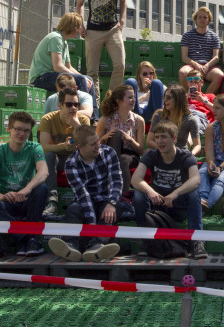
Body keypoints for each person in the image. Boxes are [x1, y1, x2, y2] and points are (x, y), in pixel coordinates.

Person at [131, 120, 207, 258]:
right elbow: (135, 179)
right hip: (158, 204)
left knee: (193, 194)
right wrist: (150, 191)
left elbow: (196, 180)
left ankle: (197, 241)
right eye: (157, 137)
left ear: (174, 138)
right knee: (139, 194)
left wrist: (175, 193)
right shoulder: (151, 155)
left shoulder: (186, 156)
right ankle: (146, 240)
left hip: (178, 205)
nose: (160, 141)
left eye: (164, 137)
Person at [48, 125, 122, 262]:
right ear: (80, 146)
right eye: (93, 144)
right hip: (84, 200)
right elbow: (82, 194)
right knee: (73, 209)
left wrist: (111, 203)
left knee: (109, 213)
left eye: (98, 141)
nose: (98, 145)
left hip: (106, 199)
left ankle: (97, 246)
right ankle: (70, 246)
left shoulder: (109, 153)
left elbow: (116, 181)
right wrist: (91, 225)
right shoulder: (71, 163)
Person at [0, 111, 48, 256]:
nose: (22, 134)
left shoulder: (34, 147)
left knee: (41, 188)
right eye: (18, 129)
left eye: (26, 130)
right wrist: (2, 197)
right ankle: (26, 239)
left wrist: (26, 190)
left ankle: (28, 239)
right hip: (7, 202)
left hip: (27, 200)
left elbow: (43, 172)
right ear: (9, 129)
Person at [29, 12, 97, 119]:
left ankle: (94, 118)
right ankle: (86, 118)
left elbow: (68, 66)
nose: (80, 30)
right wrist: (81, 78)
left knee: (88, 79)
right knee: (80, 79)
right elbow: (58, 66)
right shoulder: (55, 38)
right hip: (41, 78)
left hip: (52, 75)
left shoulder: (63, 42)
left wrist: (84, 77)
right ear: (73, 27)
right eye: (79, 26)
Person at [76, 0, 127, 100]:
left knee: (120, 65)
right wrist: (81, 24)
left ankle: (112, 99)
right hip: (93, 30)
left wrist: (122, 20)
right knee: (92, 70)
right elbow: (80, 4)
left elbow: (123, 2)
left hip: (113, 29)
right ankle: (95, 103)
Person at [38, 87, 91, 217]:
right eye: (69, 104)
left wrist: (77, 126)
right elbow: (44, 147)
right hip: (58, 160)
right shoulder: (48, 119)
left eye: (76, 104)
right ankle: (51, 201)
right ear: (60, 105)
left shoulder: (83, 120)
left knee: (87, 157)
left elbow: (91, 147)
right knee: (48, 156)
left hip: (78, 159)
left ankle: (83, 199)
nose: (73, 108)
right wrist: (63, 146)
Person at [96, 84, 146, 194]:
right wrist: (103, 138)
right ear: (118, 101)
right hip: (110, 154)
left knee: (123, 159)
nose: (134, 100)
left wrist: (130, 140)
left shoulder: (138, 120)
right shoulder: (105, 120)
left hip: (130, 156)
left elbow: (141, 150)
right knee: (116, 134)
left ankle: (123, 195)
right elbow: (95, 146)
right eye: (130, 97)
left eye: (134, 97)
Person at [179, 6, 224, 94]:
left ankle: (205, 98)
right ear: (195, 19)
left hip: (208, 67)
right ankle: (188, 97)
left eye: (205, 17)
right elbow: (184, 57)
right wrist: (196, 64)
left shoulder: (214, 37)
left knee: (219, 75)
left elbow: (216, 57)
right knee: (183, 72)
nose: (202, 19)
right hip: (192, 65)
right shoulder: (187, 35)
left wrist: (207, 65)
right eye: (200, 17)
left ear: (208, 20)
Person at [147, 85, 202, 158]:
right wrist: (166, 150)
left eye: (168, 97)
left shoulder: (190, 120)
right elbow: (149, 141)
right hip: (161, 153)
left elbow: (197, 145)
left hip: (181, 155)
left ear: (178, 99)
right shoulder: (159, 116)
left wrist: (191, 155)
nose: (165, 100)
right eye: (164, 97)